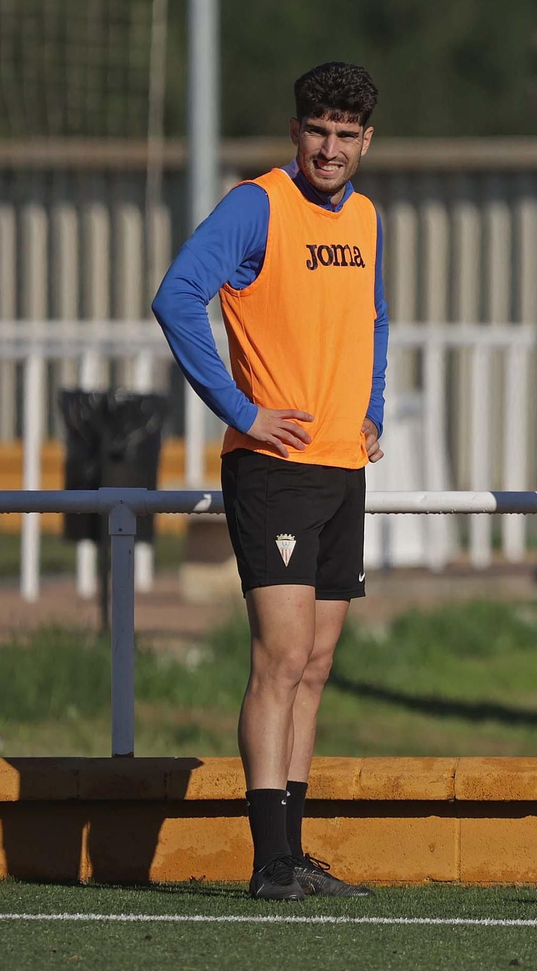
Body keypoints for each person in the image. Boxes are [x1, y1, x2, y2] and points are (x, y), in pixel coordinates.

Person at [152, 62, 389, 901]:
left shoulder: (365, 217)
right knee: (281, 657)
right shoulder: (257, 205)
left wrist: (373, 409)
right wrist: (241, 408)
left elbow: (373, 316)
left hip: (340, 469)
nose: (330, 148)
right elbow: (177, 297)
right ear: (296, 133)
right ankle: (268, 861)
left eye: (346, 134)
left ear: (367, 140)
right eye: (317, 131)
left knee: (317, 664)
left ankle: (292, 851)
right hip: (275, 472)